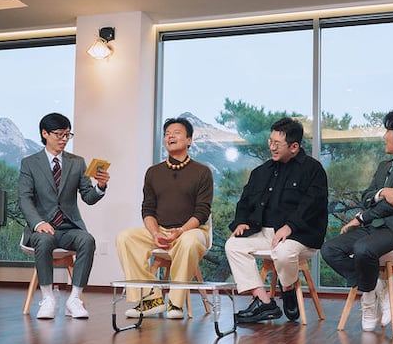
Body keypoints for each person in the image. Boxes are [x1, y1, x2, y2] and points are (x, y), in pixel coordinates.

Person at [321, 108, 393, 332]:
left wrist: (361, 218)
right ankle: (377, 288)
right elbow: (366, 197)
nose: (384, 136)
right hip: (379, 226)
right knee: (330, 250)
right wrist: (383, 192)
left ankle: (367, 301)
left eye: (387, 131)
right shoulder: (385, 166)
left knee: (363, 249)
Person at [225, 117, 328, 323]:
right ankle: (264, 301)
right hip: (265, 233)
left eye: (277, 144)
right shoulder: (261, 171)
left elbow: (312, 205)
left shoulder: (313, 169)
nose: (272, 147)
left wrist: (290, 226)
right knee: (233, 245)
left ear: (294, 146)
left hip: (301, 235)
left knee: (283, 252)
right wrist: (241, 221)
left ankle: (287, 288)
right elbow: (244, 201)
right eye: (270, 142)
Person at [115, 117, 213, 320]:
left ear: (189, 140)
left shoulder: (202, 172)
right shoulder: (153, 172)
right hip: (160, 230)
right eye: (167, 133)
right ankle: (151, 298)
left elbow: (202, 212)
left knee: (189, 241)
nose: (170, 136)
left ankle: (175, 303)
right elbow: (148, 209)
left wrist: (181, 231)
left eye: (176, 132)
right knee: (125, 238)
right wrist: (155, 233)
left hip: (192, 231)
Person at [19, 112, 110, 319]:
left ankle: (74, 299)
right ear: (45, 133)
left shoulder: (77, 163)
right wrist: (38, 223)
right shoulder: (29, 163)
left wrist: (100, 186)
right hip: (42, 228)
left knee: (87, 240)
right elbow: (24, 199)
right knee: (44, 240)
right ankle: (48, 298)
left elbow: (88, 197)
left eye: (67, 135)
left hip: (69, 228)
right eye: (59, 134)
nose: (64, 139)